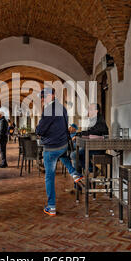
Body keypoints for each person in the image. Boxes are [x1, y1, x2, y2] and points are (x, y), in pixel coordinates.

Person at [35, 88, 83, 217]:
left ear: (51, 96)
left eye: (44, 96)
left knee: (49, 177)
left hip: (51, 147)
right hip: (62, 145)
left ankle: (51, 207)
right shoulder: (62, 108)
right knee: (62, 155)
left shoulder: (49, 110)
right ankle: (74, 173)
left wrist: (38, 129)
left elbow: (40, 130)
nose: (42, 99)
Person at [70, 103, 109, 174]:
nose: (88, 111)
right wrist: (78, 135)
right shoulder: (94, 120)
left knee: (74, 155)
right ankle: (80, 178)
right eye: (88, 109)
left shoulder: (100, 121)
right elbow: (89, 133)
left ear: (96, 111)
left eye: (90, 109)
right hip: (92, 146)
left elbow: (91, 132)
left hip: (98, 148)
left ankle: (91, 171)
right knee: (76, 153)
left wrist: (78, 134)